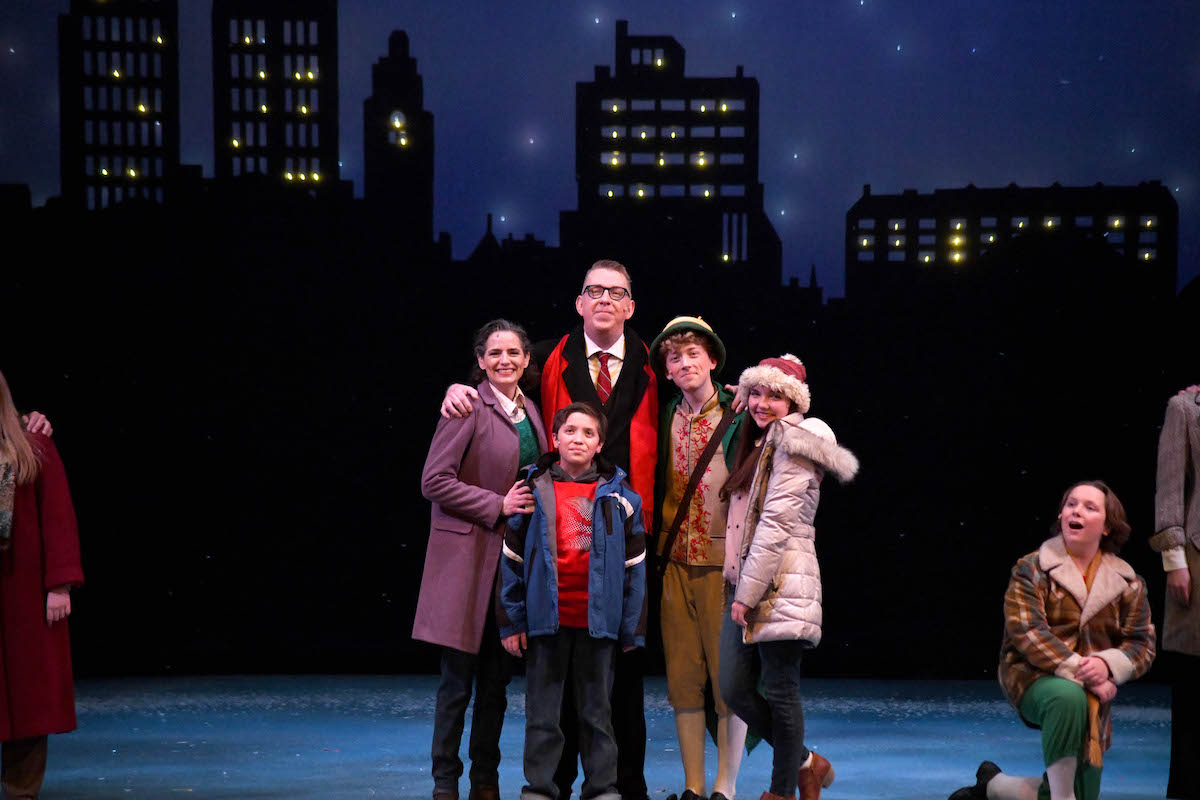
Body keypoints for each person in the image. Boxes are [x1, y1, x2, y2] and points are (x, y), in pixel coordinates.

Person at [442, 261, 658, 800]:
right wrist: (459, 386)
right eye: (594, 291)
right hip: (552, 541)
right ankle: (548, 783)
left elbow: (699, 388)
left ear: (630, 306)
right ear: (579, 302)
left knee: (616, 688)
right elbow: (499, 374)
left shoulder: (656, 363)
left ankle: (618, 783)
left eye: (617, 293)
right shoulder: (546, 358)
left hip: (624, 530)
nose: (605, 299)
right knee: (549, 691)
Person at [949, 481, 1156, 800]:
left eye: (1090, 507)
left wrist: (1106, 665)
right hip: (1034, 676)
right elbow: (1028, 633)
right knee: (1067, 696)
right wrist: (1082, 671)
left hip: (1093, 694)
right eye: (1071, 504)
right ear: (1061, 515)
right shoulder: (1032, 568)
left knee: (1083, 793)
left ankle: (993, 785)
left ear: (1107, 526)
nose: (1077, 510)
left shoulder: (1129, 583)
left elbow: (1142, 644)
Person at [413, 320, 549, 800]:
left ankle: (485, 781)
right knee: (457, 684)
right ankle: (445, 782)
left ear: (527, 359)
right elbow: (434, 481)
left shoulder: (530, 410)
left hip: (511, 566)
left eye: (513, 352)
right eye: (494, 353)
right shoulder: (467, 405)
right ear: (480, 359)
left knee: (496, 683)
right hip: (468, 560)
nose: (505, 361)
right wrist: (497, 504)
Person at [717, 355, 858, 800]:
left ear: (794, 403)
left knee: (779, 689)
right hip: (748, 578)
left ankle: (781, 791)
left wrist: (747, 592)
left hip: (780, 579)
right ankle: (807, 765)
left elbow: (776, 520)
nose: (762, 404)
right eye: (755, 393)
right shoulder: (761, 440)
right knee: (735, 689)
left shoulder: (796, 440)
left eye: (775, 396)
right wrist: (744, 395)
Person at [497, 402, 647, 800]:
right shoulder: (532, 490)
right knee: (543, 715)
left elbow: (635, 568)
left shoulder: (623, 498)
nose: (578, 439)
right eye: (570, 431)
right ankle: (541, 789)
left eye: (588, 433)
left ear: (599, 444)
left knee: (597, 714)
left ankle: (601, 788)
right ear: (555, 438)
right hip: (547, 622)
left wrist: (631, 627)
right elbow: (511, 561)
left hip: (599, 623)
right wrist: (512, 622)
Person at [648, 316, 748, 800]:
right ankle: (693, 786)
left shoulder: (742, 414)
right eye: (674, 356)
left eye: (693, 354)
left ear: (712, 360)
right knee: (683, 679)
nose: (684, 363)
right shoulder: (662, 415)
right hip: (673, 565)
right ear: (666, 369)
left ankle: (725, 787)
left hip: (723, 569)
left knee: (727, 680)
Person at [0, 370, 84, 799]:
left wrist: (61, 584)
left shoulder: (33, 443)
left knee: (28, 703)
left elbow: (58, 516)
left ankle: (21, 792)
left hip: (22, 591)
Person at [1151, 386, 1200, 800]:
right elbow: (1169, 491)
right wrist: (1174, 560)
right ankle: (1187, 786)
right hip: (1197, 557)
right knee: (1194, 679)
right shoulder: (1186, 408)